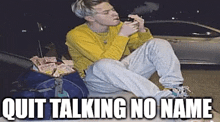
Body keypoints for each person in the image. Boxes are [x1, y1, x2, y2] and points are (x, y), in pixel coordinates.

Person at [65, 0, 189, 103]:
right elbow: (106, 61)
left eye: (113, 9)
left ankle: (175, 90)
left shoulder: (117, 27)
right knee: (103, 64)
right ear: (90, 17)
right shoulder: (76, 34)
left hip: (123, 75)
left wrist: (141, 31)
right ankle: (160, 98)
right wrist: (123, 35)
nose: (114, 14)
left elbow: (144, 47)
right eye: (106, 12)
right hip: (98, 82)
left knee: (158, 43)